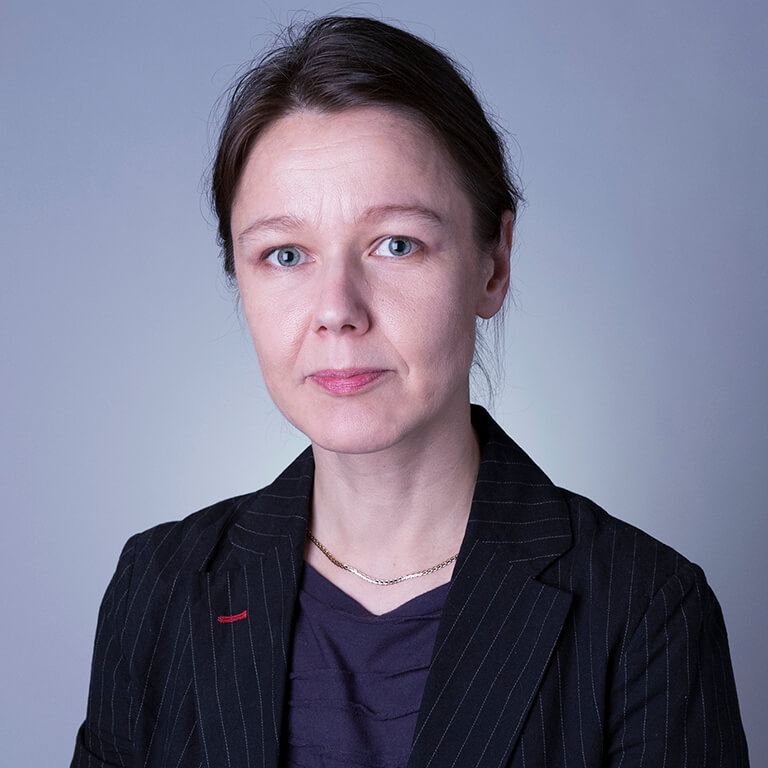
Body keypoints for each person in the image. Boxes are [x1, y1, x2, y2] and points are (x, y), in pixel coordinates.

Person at [71, 15, 749, 768]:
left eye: (396, 244)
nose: (337, 310)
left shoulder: (646, 610)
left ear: (494, 264)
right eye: (285, 254)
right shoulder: (159, 588)